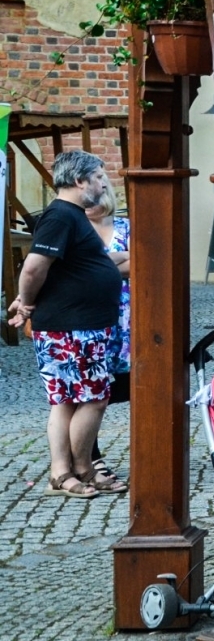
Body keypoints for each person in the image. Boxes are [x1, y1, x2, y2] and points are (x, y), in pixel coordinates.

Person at [7, 150, 125, 499]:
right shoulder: (61, 216)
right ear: (80, 180)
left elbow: (93, 262)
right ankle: (83, 467)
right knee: (94, 400)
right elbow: (33, 267)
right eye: (99, 178)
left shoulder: (71, 216)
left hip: (79, 325)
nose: (104, 185)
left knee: (66, 401)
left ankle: (61, 474)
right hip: (72, 326)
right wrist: (25, 302)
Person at [82, 185, 131, 488]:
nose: (92, 204)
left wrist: (99, 264)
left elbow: (140, 263)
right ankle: (90, 453)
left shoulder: (126, 225)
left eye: (97, 198)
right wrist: (118, 260)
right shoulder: (75, 228)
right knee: (89, 389)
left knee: (127, 385)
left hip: (127, 319)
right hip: (88, 317)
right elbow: (77, 271)